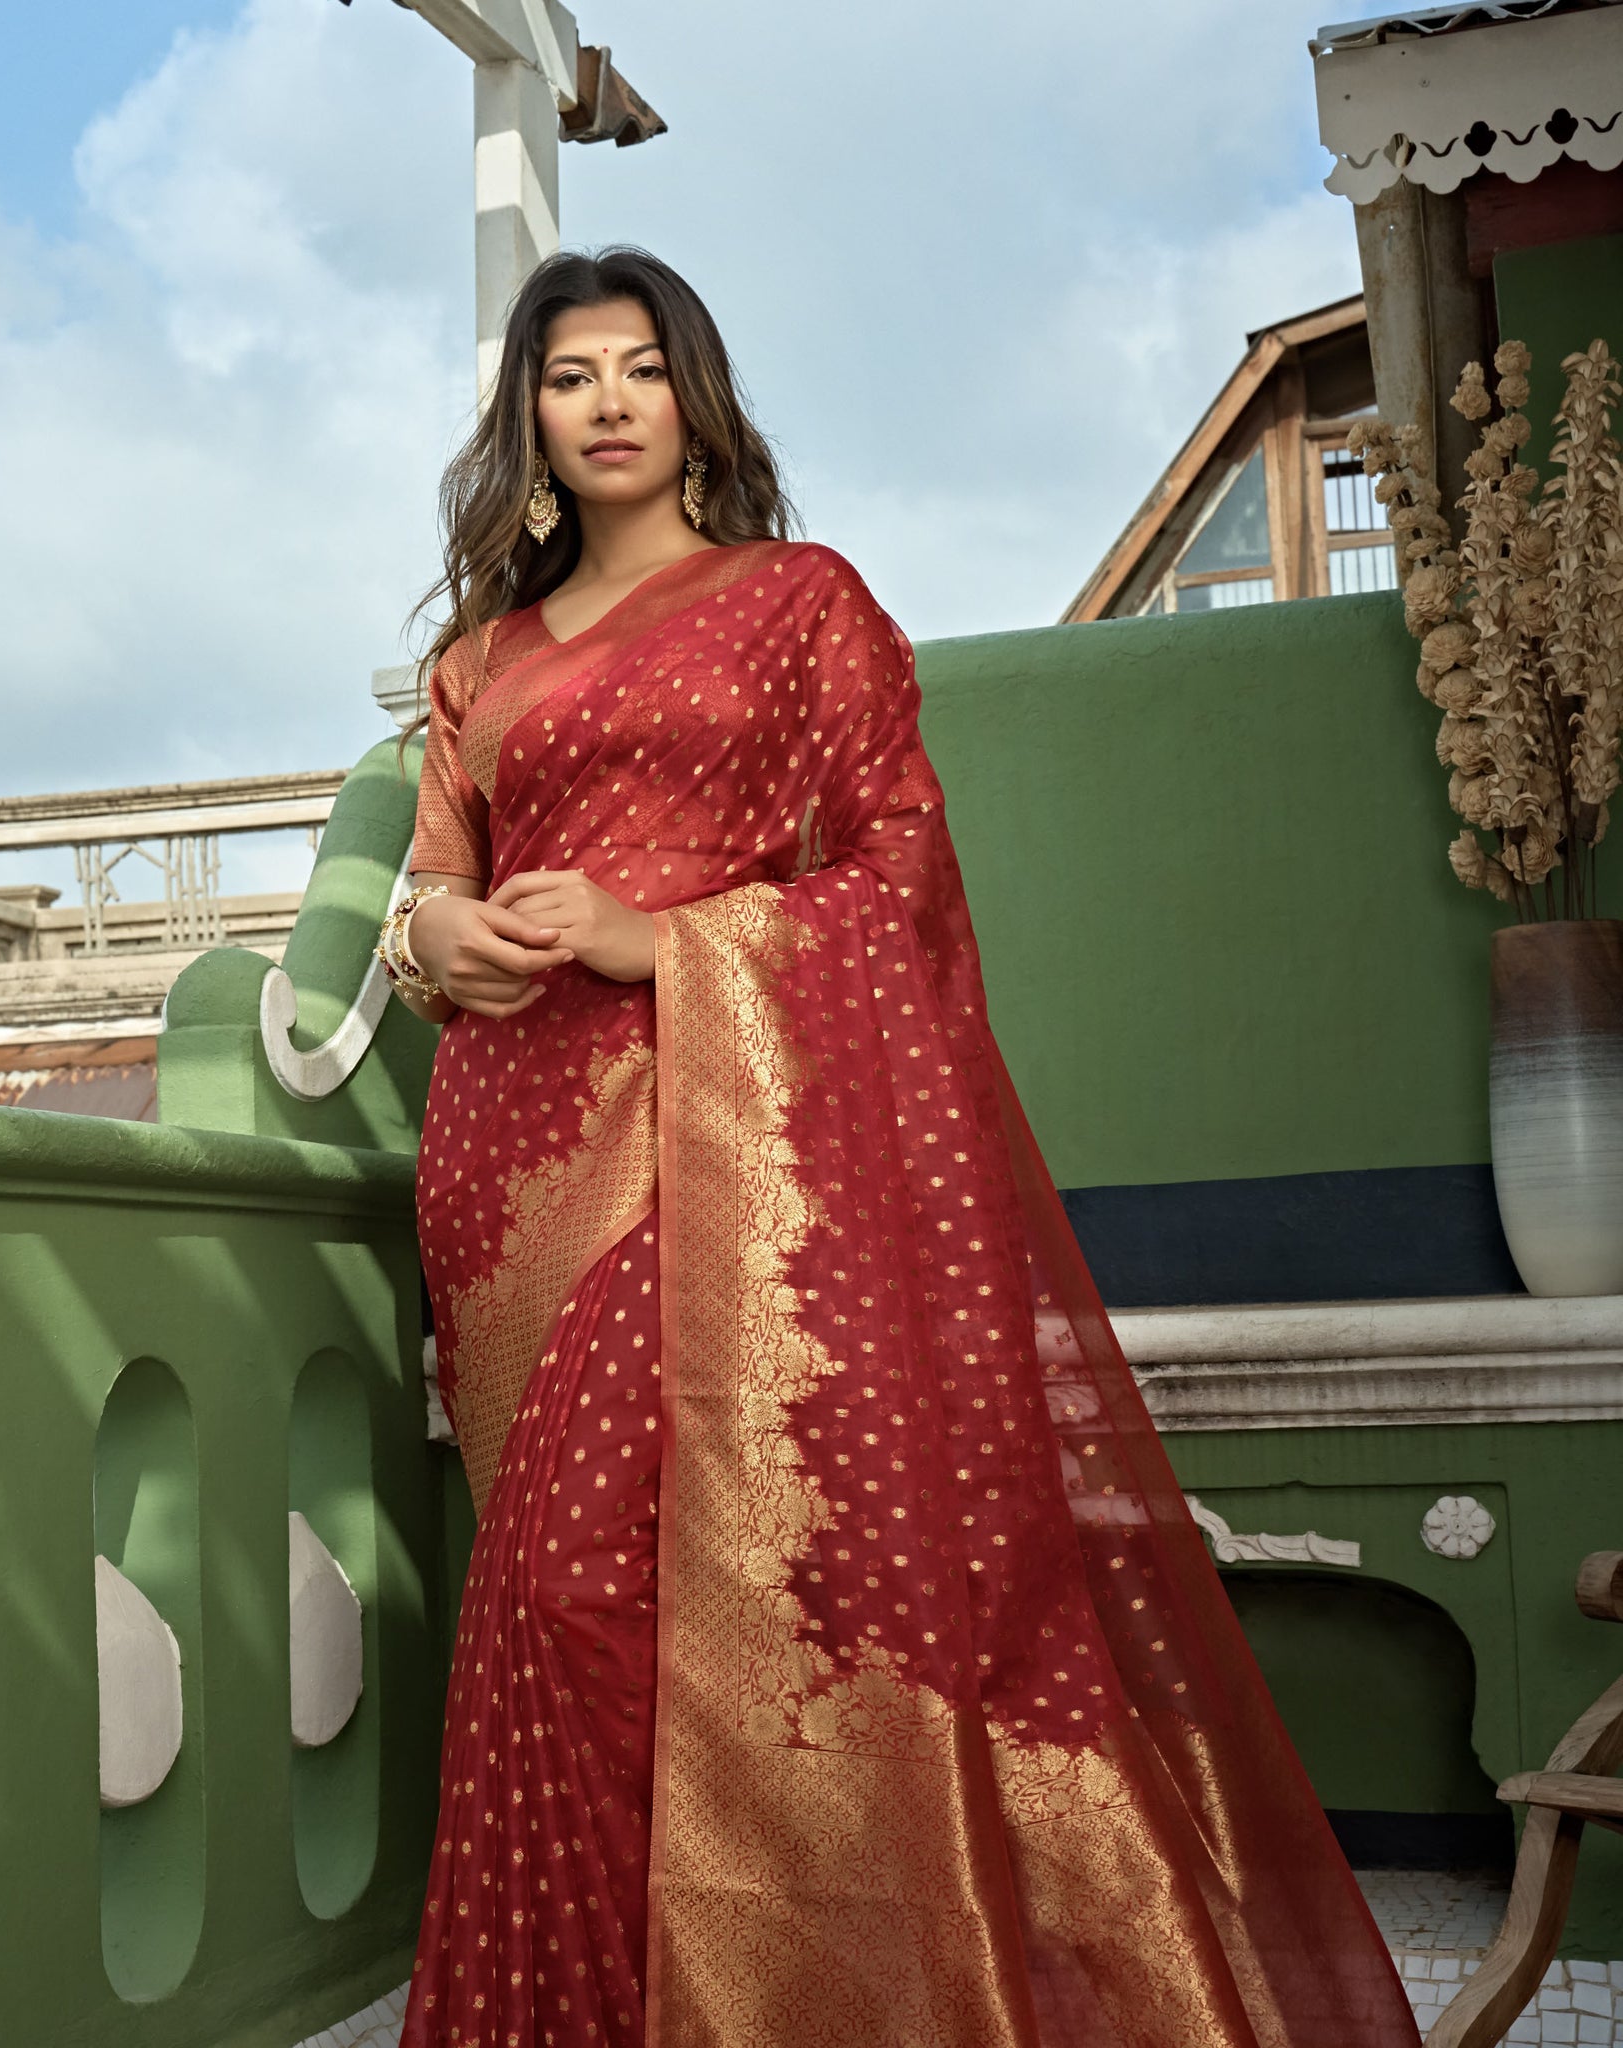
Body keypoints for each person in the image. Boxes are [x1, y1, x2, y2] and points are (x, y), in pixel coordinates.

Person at [382, 246, 1414, 2048]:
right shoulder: (478, 664)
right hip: (509, 1167)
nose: (608, 400)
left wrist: (669, 944)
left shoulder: (801, 606)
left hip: (727, 1150)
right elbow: (436, 884)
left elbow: (903, 877)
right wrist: (430, 944)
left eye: (640, 366)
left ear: (696, 396)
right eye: (569, 377)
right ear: (528, 421)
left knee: (655, 1589)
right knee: (551, 1623)